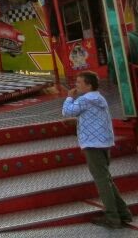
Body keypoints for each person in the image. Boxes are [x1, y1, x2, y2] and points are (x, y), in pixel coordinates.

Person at [62, 70, 132, 229]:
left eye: (79, 82)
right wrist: (77, 121)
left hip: (92, 145)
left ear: (88, 85)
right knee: (107, 180)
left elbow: (66, 111)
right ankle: (123, 213)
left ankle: (112, 217)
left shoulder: (85, 99)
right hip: (104, 142)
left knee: (102, 182)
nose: (76, 85)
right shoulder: (99, 98)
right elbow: (91, 117)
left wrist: (69, 97)